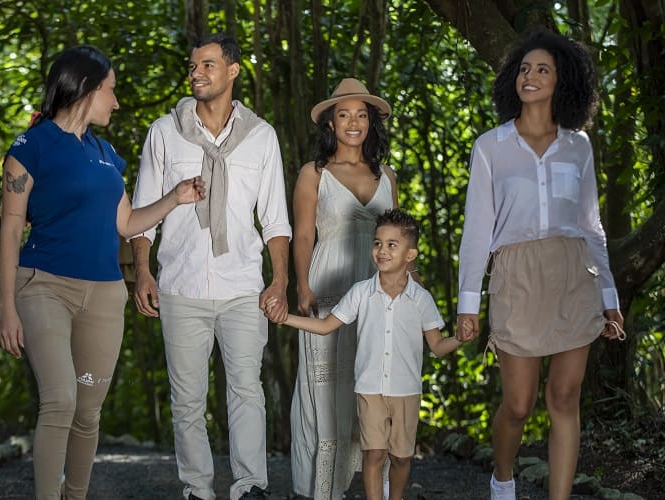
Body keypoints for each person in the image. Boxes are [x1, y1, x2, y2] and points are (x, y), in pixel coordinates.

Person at [0, 45, 205, 500]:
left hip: (105, 297)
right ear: (87, 89)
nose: (116, 101)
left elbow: (126, 224)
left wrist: (175, 197)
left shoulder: (107, 153)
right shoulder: (30, 147)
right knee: (60, 400)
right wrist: (6, 306)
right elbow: (11, 229)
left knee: (88, 410)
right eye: (110, 90)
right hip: (43, 288)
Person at [455, 30, 627, 500]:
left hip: (575, 276)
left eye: (542, 69)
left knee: (565, 398)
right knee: (517, 404)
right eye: (524, 69)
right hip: (517, 278)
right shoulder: (491, 147)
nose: (530, 77)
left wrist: (609, 298)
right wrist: (467, 303)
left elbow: (592, 227)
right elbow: (477, 231)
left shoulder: (579, 147)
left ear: (562, 81)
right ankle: (503, 479)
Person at [129, 33, 291, 500]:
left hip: (242, 284)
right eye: (192, 65)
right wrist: (143, 271)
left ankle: (249, 486)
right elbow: (143, 211)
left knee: (246, 389)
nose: (196, 73)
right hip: (180, 283)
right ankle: (196, 489)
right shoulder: (164, 132)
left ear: (233, 71)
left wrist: (279, 281)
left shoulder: (261, 137)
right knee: (187, 400)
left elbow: (275, 218)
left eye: (207, 65)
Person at [265, 209, 462, 500]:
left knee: (401, 457)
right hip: (369, 389)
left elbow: (436, 346)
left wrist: (459, 338)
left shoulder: (421, 299)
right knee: (374, 453)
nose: (381, 250)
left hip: (406, 391)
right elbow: (324, 326)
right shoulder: (360, 292)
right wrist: (285, 319)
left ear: (410, 255)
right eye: (377, 243)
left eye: (392, 245)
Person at [289, 78, 398, 499]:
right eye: (344, 114)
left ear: (371, 122)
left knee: (375, 391)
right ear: (331, 124)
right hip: (328, 286)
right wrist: (302, 287)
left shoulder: (387, 175)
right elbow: (302, 236)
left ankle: (377, 489)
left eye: (361, 114)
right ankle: (323, 491)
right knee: (327, 395)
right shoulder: (313, 174)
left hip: (378, 296)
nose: (353, 122)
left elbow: (401, 241)